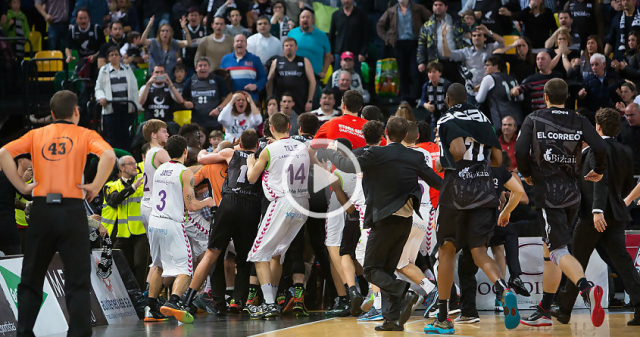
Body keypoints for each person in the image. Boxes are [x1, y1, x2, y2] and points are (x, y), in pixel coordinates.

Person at [0, 90, 116, 337]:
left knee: (31, 277)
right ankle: (79, 333)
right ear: (76, 112)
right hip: (72, 211)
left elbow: (4, 153)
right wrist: (95, 186)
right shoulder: (85, 134)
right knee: (77, 279)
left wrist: (21, 187)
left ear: (52, 114)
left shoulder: (35, 134)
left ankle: (24, 332)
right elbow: (108, 155)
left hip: (42, 210)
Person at [316, 116, 442, 331]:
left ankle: (404, 291)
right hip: (406, 220)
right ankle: (391, 320)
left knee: (371, 269)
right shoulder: (415, 156)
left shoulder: (376, 153)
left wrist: (329, 152)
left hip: (383, 220)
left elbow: (346, 166)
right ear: (405, 135)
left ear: (386, 133)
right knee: (388, 269)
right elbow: (438, 183)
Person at [424, 83, 519, 334]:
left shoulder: (446, 118)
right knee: (479, 251)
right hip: (485, 192)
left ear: (447, 99)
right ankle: (503, 289)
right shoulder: (483, 117)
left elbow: (456, 150)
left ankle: (443, 318)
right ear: (467, 99)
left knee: (446, 251)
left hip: (456, 193)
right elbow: (497, 160)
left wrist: (444, 161)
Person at [515, 78, 607, 328]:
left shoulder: (534, 118)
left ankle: (586, 288)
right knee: (551, 253)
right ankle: (545, 309)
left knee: (557, 251)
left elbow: (520, 151)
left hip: (548, 192)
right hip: (572, 193)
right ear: (566, 96)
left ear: (544, 95)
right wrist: (598, 169)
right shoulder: (578, 118)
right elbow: (599, 145)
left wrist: (527, 174)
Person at [552, 107, 640, 326]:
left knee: (576, 260)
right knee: (624, 264)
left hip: (594, 215)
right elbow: (628, 184)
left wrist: (597, 210)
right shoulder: (625, 151)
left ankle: (564, 309)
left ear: (597, 127)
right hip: (617, 215)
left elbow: (598, 180)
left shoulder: (596, 150)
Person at [170, 130, 263, 321]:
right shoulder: (262, 156)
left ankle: (189, 299)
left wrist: (205, 153)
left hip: (226, 205)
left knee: (212, 254)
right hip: (251, 206)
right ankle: (239, 301)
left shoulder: (229, 154)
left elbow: (201, 160)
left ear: (239, 143)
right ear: (257, 145)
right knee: (244, 259)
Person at [244, 112, 311, 319]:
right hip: (302, 204)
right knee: (278, 253)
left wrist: (250, 163)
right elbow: (317, 166)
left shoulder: (268, 150)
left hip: (282, 202)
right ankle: (270, 300)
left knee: (257, 254)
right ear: (289, 126)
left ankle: (270, 304)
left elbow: (252, 178)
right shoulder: (303, 147)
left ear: (270, 128)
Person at [145, 135, 214, 324]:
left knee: (158, 265)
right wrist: (207, 201)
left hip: (154, 222)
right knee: (185, 269)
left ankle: (150, 307)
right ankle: (174, 301)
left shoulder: (159, 170)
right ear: (185, 151)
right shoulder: (185, 173)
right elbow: (191, 206)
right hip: (171, 223)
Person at [103, 156, 147, 289]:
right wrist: (133, 187)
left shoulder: (144, 182)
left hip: (141, 231)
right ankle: (127, 295)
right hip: (123, 233)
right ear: (122, 168)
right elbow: (114, 200)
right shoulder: (111, 185)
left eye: (135, 163)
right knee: (120, 264)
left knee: (141, 265)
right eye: (131, 164)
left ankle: (141, 296)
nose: (135, 166)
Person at [377, 0, 432, 101]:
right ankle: (404, 96)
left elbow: (431, 19)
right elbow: (380, 25)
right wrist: (387, 38)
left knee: (416, 70)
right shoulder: (392, 10)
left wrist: (426, 35)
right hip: (399, 43)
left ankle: (418, 96)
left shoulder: (417, 8)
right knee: (402, 71)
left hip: (415, 43)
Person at [442, 23, 504, 104]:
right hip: (471, 91)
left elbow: (502, 42)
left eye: (479, 35)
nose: (476, 38)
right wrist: (443, 37)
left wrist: (488, 32)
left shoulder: (490, 48)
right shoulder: (466, 52)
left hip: (488, 89)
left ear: (484, 38)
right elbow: (447, 54)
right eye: (474, 36)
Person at [95, 46, 142, 150]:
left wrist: (137, 106)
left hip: (126, 106)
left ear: (120, 56)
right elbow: (98, 88)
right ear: (108, 58)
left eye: (116, 54)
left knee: (126, 135)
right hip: (111, 107)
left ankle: (126, 157)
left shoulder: (127, 68)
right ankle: (113, 159)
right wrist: (101, 97)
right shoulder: (104, 70)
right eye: (112, 55)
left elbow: (134, 87)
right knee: (112, 135)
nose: (114, 57)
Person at [417, 0, 467, 84]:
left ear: (446, 7)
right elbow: (421, 45)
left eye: (440, 5)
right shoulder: (427, 26)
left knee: (456, 85)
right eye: (435, 5)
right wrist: (420, 61)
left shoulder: (456, 21)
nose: (437, 7)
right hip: (436, 61)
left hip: (455, 60)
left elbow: (466, 36)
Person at [182, 57, 233, 134]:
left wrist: (219, 109)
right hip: (197, 122)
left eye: (205, 65)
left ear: (209, 68)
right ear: (196, 68)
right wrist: (186, 103)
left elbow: (229, 95)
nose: (203, 68)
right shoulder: (190, 81)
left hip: (215, 122)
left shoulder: (217, 79)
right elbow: (183, 98)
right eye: (200, 66)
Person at [266, 37, 316, 114]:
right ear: (283, 48)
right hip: (281, 99)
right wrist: (270, 98)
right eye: (286, 45)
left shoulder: (304, 61)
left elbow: (312, 81)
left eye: (291, 45)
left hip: (300, 99)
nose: (289, 47)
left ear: (296, 48)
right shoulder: (277, 61)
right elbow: (269, 81)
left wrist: (309, 100)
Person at [476, 56, 523, 129]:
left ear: (496, 66)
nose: (485, 67)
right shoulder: (512, 78)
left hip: (502, 120)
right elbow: (521, 97)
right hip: (517, 118)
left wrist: (477, 91)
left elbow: (479, 99)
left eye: (488, 65)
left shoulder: (489, 78)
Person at [220, 34, 267, 102]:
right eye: (237, 41)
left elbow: (263, 78)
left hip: (250, 98)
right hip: (231, 99)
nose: (239, 43)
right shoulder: (226, 59)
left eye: (242, 41)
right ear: (233, 44)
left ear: (246, 44)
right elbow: (220, 78)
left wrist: (256, 86)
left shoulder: (255, 59)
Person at [288, 8, 332, 80]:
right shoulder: (292, 33)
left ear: (313, 20)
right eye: (303, 17)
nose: (305, 19)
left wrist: (324, 71)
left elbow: (328, 55)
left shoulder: (322, 35)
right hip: (294, 74)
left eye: (307, 17)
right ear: (299, 20)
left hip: (314, 75)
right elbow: (286, 52)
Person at [328, 0, 369, 74]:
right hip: (339, 54)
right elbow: (331, 36)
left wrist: (363, 52)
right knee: (336, 80)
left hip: (356, 54)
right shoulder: (335, 15)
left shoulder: (361, 14)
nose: (346, 0)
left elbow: (366, 35)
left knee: (356, 81)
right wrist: (330, 53)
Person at [420, 62, 451, 130]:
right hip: (433, 117)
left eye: (434, 72)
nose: (431, 74)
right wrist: (426, 105)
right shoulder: (426, 85)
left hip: (446, 116)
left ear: (440, 73)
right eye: (429, 72)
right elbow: (422, 100)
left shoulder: (446, 85)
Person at [182, 7, 208, 77]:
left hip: (201, 61)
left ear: (200, 17)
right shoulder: (183, 30)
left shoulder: (204, 29)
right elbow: (183, 45)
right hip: (188, 61)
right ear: (187, 17)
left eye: (196, 15)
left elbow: (205, 44)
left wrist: (191, 42)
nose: (194, 17)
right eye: (191, 15)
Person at [620, 103, 640, 175]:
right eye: (627, 115)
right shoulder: (622, 128)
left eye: (631, 115)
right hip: (628, 171)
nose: (628, 118)